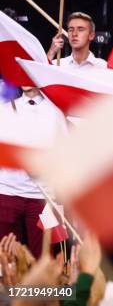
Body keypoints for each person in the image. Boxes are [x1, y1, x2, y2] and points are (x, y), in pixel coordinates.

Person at [0, 86, 67, 258]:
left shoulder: (56, 112)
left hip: (44, 199)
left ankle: (39, 287)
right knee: (6, 256)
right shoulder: (6, 108)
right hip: (7, 193)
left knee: (44, 257)